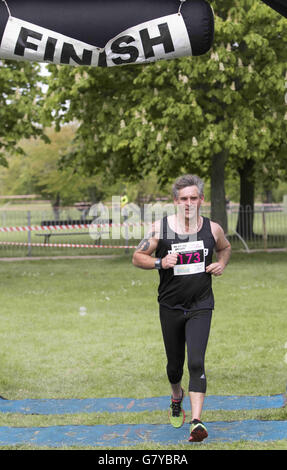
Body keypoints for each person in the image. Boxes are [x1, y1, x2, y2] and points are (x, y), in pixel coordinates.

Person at [132, 174, 231, 442]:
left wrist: (221, 263)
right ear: (176, 201)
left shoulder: (213, 229)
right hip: (170, 306)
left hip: (201, 305)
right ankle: (177, 395)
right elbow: (137, 256)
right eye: (183, 198)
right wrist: (160, 263)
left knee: (197, 361)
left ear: (201, 200)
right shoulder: (160, 228)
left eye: (193, 198)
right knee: (175, 367)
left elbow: (225, 248)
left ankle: (197, 422)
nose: (189, 203)